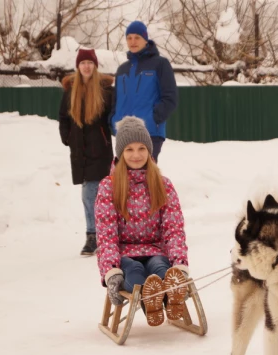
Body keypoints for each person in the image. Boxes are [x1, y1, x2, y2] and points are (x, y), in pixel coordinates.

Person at [95, 116, 189, 327]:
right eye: (129, 149)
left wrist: (180, 264)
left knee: (162, 269)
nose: (136, 155)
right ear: (120, 153)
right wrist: (111, 272)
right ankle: (153, 300)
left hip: (156, 250)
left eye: (141, 148)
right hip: (124, 254)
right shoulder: (108, 187)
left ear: (149, 150)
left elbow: (173, 229)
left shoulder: (163, 185)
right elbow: (106, 234)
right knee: (136, 275)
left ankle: (170, 293)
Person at [59, 48, 114, 256]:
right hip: (79, 151)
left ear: (95, 65)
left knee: (91, 194)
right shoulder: (70, 91)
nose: (87, 66)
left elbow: (112, 116)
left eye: (90, 63)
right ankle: (101, 235)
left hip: (100, 150)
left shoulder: (105, 91)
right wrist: (67, 138)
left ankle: (94, 236)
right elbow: (63, 118)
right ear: (78, 66)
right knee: (91, 195)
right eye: (83, 63)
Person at [109, 20, 178, 163]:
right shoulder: (122, 69)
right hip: (124, 133)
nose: (133, 41)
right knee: (124, 180)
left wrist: (153, 118)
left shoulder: (160, 64)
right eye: (129, 38)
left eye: (137, 37)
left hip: (149, 132)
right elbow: (115, 101)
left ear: (145, 39)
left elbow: (170, 98)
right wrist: (113, 119)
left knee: (146, 180)